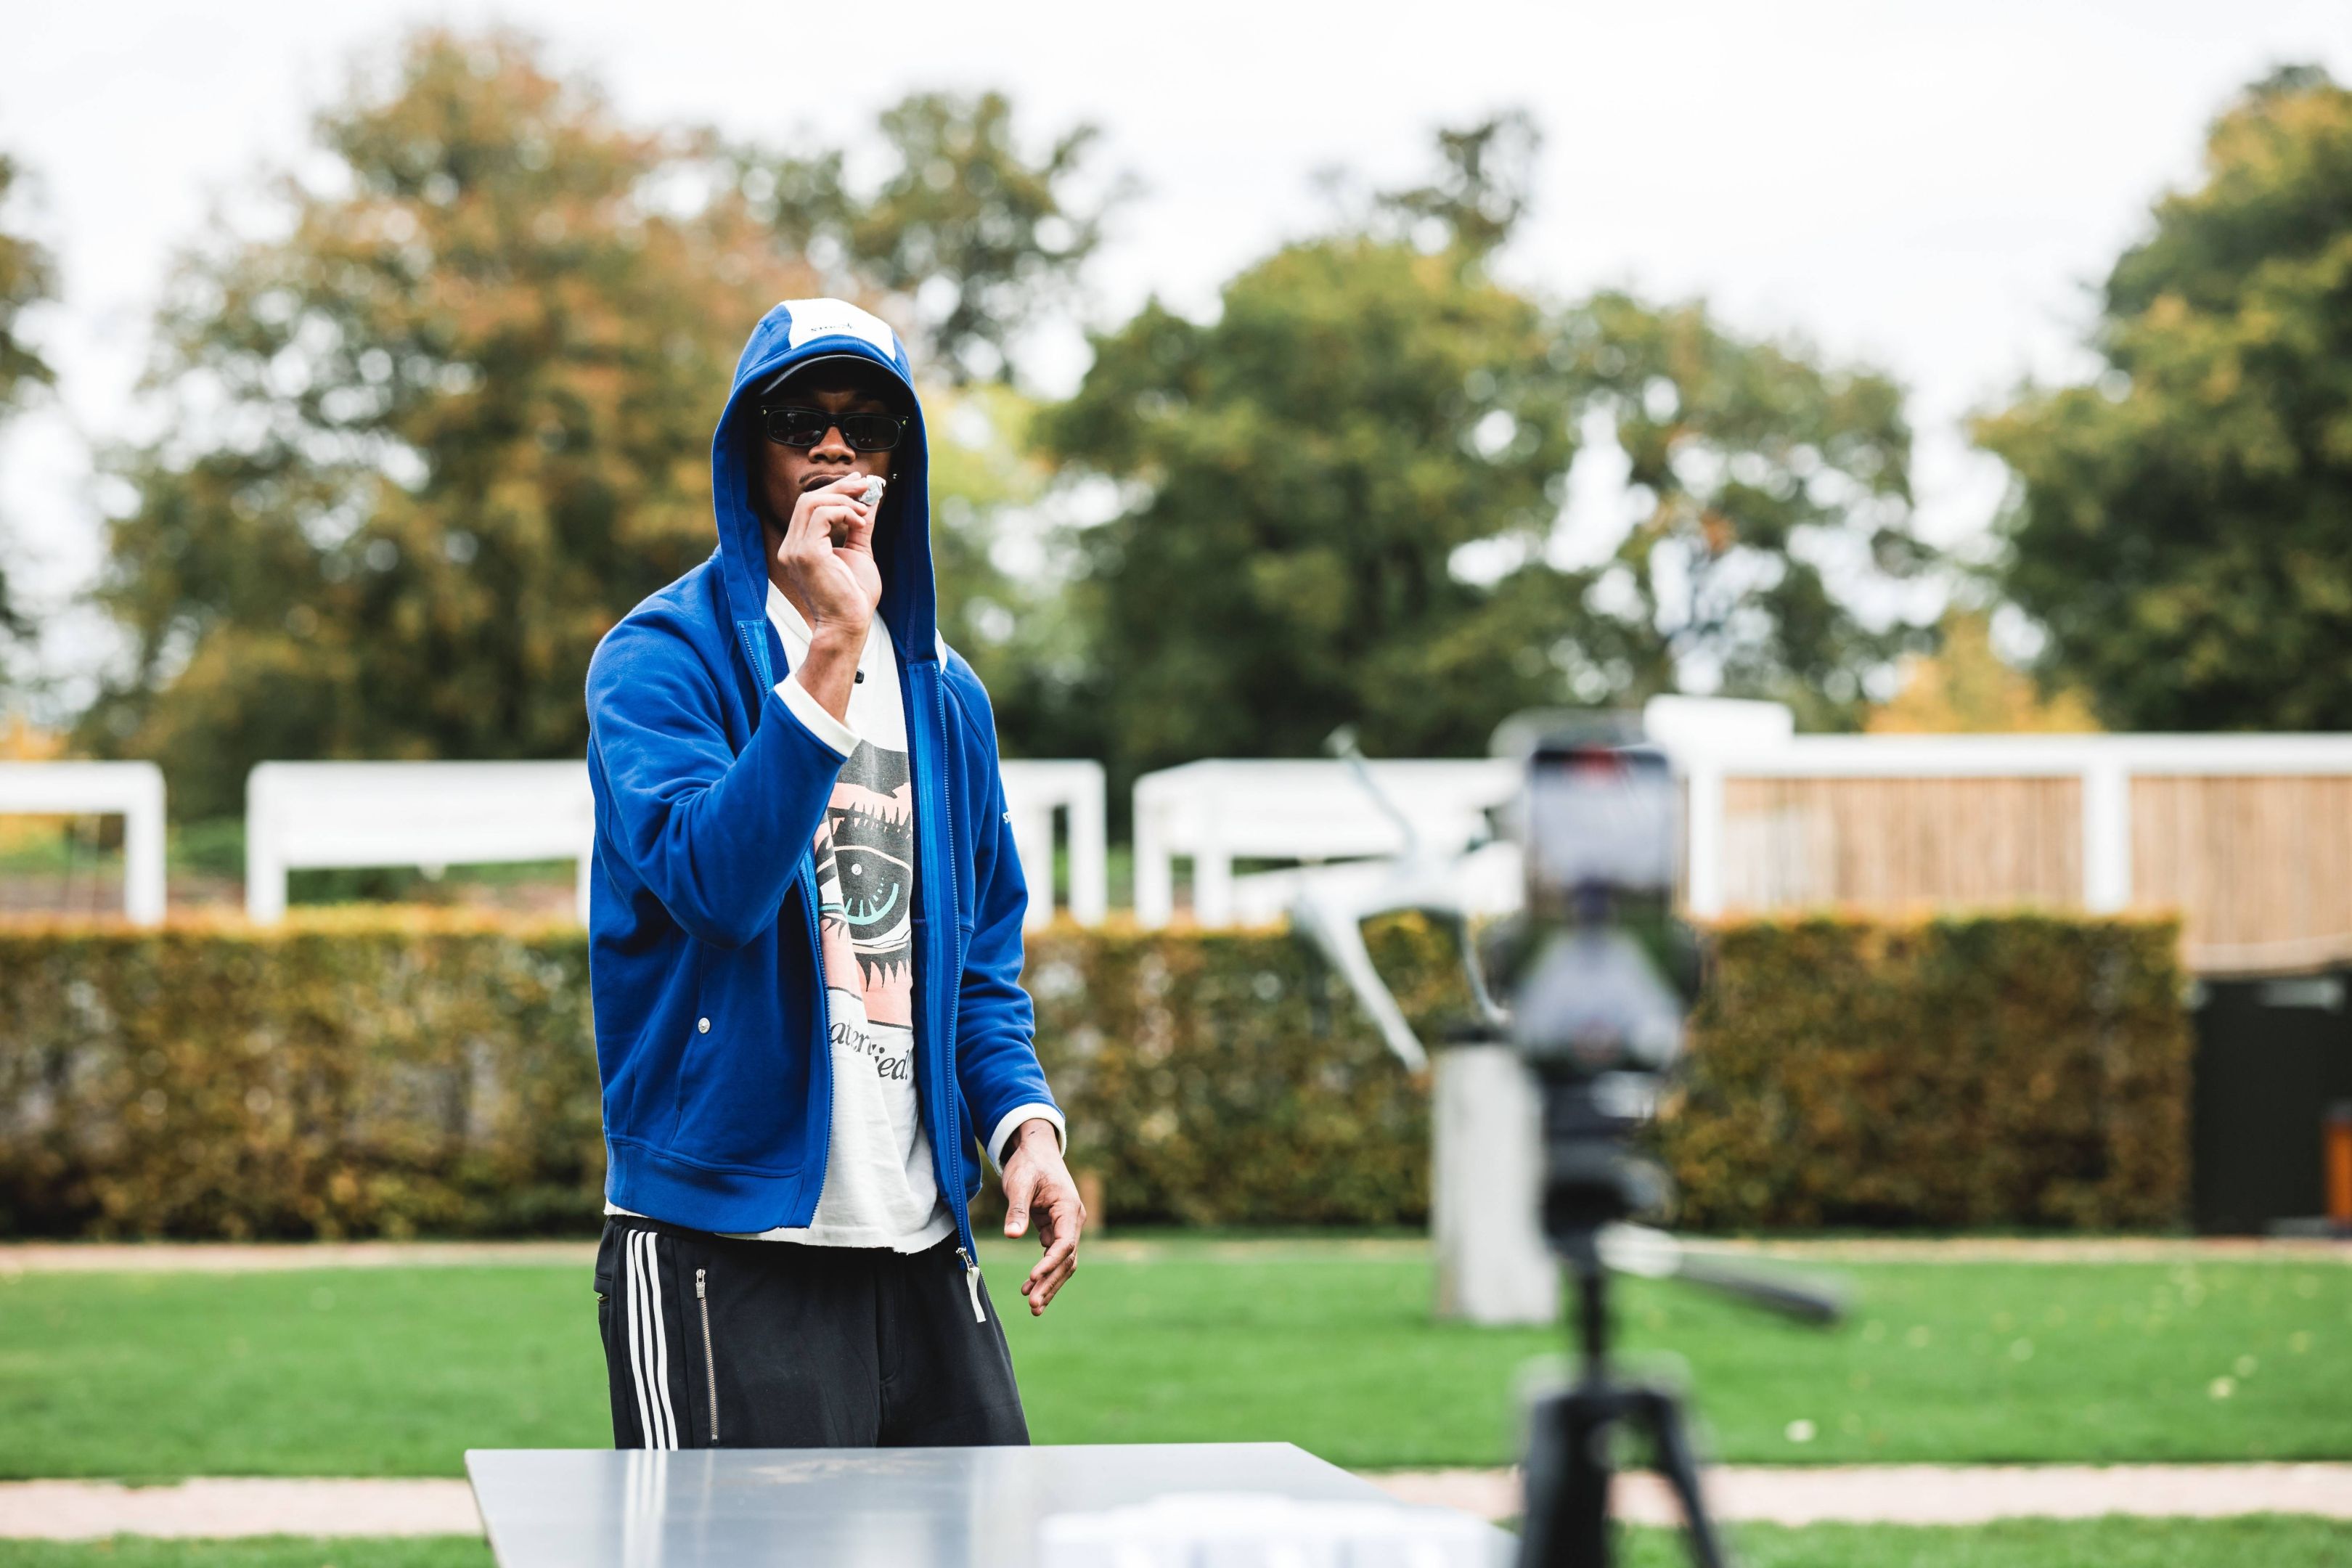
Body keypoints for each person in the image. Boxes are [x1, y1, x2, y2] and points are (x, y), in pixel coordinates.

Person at [581, 297, 1083, 1450]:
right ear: (746, 447)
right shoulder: (660, 659)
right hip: (722, 1244)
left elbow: (976, 963)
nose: (834, 446)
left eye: (869, 424)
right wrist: (831, 652)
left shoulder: (948, 694)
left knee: (986, 1536)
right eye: (798, 419)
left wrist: (1023, 1128)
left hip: (920, 1244)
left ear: (901, 456)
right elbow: (715, 887)